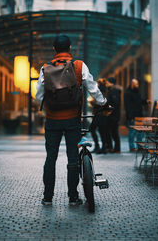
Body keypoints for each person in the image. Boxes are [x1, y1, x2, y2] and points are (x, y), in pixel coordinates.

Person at [36, 34, 107, 206]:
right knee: (73, 159)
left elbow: (39, 96)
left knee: (50, 158)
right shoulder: (79, 66)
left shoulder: (45, 68)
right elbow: (93, 88)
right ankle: (73, 197)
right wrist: (103, 103)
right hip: (72, 121)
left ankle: (47, 197)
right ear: (69, 48)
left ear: (54, 49)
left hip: (52, 121)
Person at [124, 78, 150, 152]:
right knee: (132, 132)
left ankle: (139, 146)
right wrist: (130, 117)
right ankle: (132, 147)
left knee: (140, 132)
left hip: (139, 116)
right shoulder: (128, 93)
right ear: (132, 84)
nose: (137, 85)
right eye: (136, 84)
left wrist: (145, 101)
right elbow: (127, 106)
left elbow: (139, 102)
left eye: (137, 84)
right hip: (132, 116)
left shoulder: (137, 92)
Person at [105, 77, 122, 153]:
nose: (106, 83)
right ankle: (111, 147)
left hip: (113, 116)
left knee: (114, 132)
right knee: (110, 132)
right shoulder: (110, 91)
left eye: (108, 82)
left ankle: (117, 148)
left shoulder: (114, 92)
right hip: (110, 115)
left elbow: (116, 104)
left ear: (112, 83)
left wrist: (110, 109)